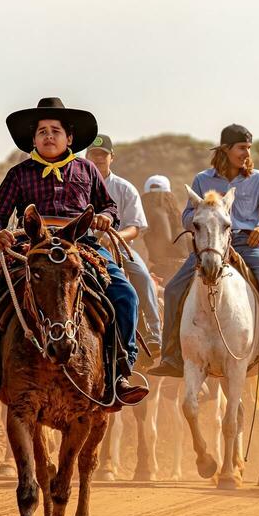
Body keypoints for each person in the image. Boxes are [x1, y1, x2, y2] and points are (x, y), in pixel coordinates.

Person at [0, 97, 146, 407]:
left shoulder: (87, 170)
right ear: (33, 139)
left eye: (55, 130)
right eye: (42, 131)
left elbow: (108, 205)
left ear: (70, 138)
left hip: (80, 245)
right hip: (30, 244)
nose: (48, 136)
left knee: (126, 294)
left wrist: (106, 217)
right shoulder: (19, 173)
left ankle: (120, 370)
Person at [152, 124, 259, 377]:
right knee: (174, 289)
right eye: (242, 148)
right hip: (209, 245)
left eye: (249, 148)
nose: (247, 154)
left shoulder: (258, 179)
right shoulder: (202, 179)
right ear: (226, 149)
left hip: (246, 243)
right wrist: (200, 220)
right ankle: (171, 356)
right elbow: (186, 214)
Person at [86, 134, 162, 361]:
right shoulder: (77, 184)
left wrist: (114, 237)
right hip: (81, 244)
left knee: (141, 275)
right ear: (86, 157)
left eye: (103, 155)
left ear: (112, 158)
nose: (98, 159)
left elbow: (136, 227)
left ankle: (152, 331)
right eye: (94, 155)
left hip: (119, 248)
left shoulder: (124, 188)